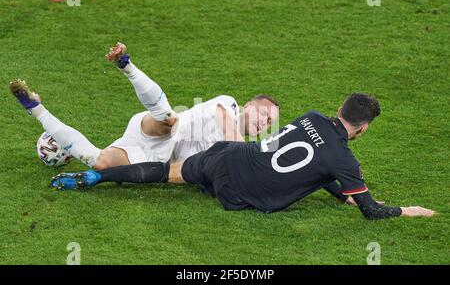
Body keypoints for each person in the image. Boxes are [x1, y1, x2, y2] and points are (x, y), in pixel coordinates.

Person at [51, 93, 435, 219]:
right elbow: (368, 209)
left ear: (339, 108)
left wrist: (343, 189)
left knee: (167, 173)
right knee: (177, 174)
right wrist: (405, 210)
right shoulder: (345, 162)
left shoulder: (312, 117)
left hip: (228, 155)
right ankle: (99, 174)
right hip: (242, 191)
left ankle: (100, 177)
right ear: (363, 128)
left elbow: (323, 171)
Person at [9, 43, 279, 171]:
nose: (265, 123)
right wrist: (252, 161)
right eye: (264, 114)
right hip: (157, 128)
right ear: (248, 105)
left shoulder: (241, 150)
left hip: (155, 158)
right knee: (169, 121)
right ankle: (126, 65)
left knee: (100, 163)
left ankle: (35, 108)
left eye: (270, 123)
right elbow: (231, 138)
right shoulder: (228, 104)